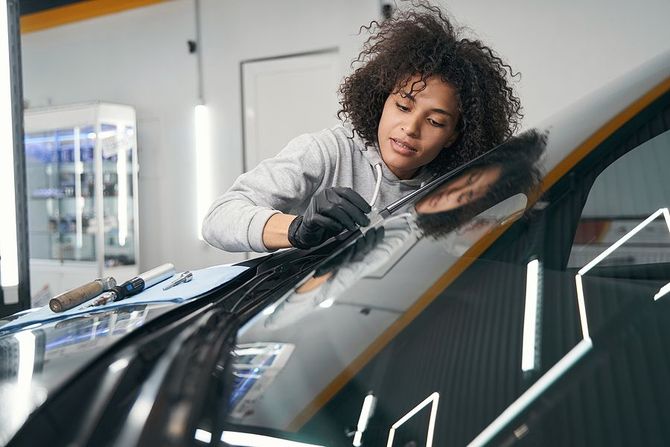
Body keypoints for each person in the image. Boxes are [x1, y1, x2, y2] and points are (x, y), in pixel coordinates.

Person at [202, 2, 522, 253]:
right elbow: (218, 218)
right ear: (382, 99)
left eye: (435, 121)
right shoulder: (328, 152)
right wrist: (296, 229)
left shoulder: (453, 187)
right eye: (403, 105)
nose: (411, 128)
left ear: (454, 135)